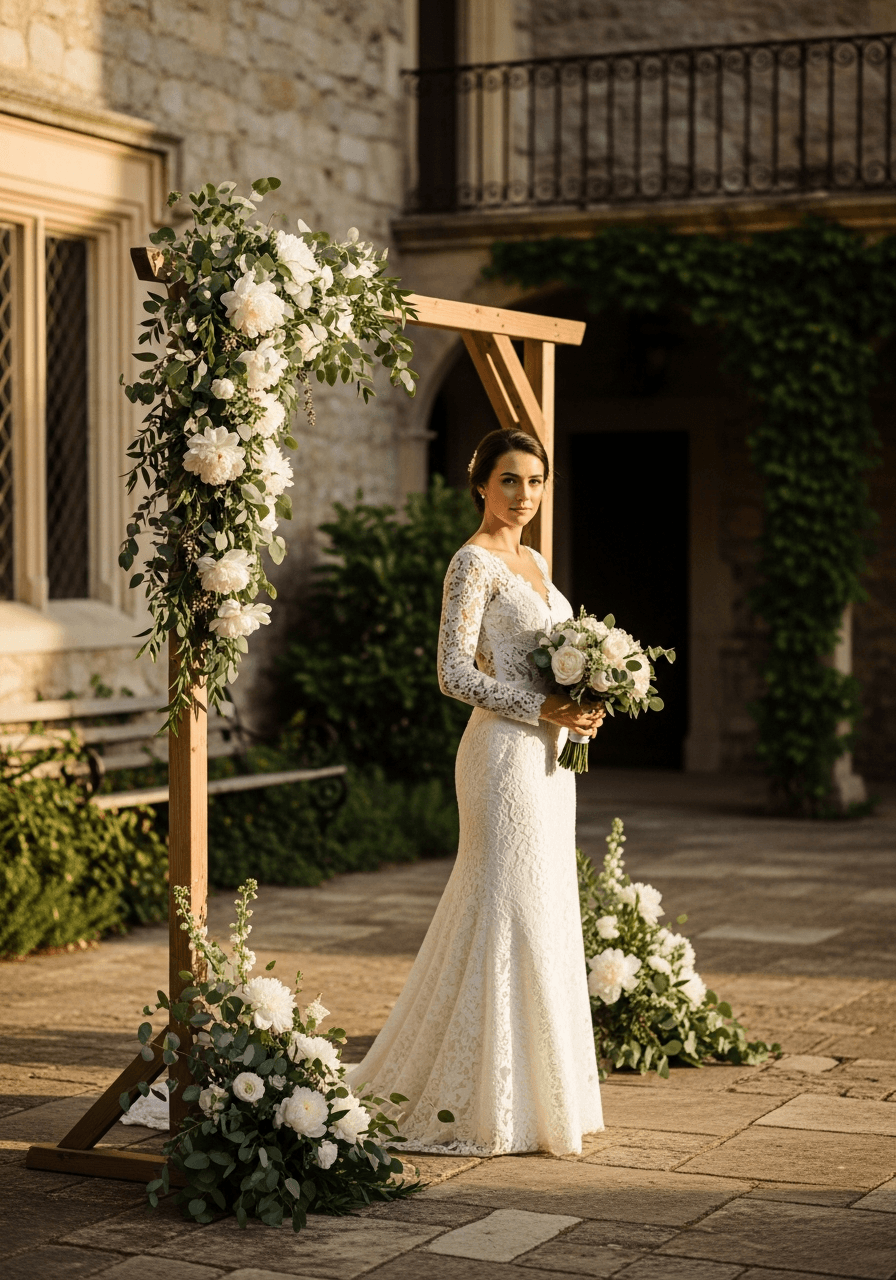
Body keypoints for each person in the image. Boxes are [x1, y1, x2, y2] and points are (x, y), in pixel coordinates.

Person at [346, 428, 605, 1155]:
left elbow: (552, 666)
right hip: (500, 758)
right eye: (510, 481)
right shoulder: (472, 563)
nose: (524, 496)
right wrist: (542, 709)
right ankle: (482, 1097)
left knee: (547, 907)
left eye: (535, 481)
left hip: (552, 763)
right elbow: (453, 674)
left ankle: (538, 1096)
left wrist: (582, 705)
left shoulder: (536, 561)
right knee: (506, 904)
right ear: (481, 484)